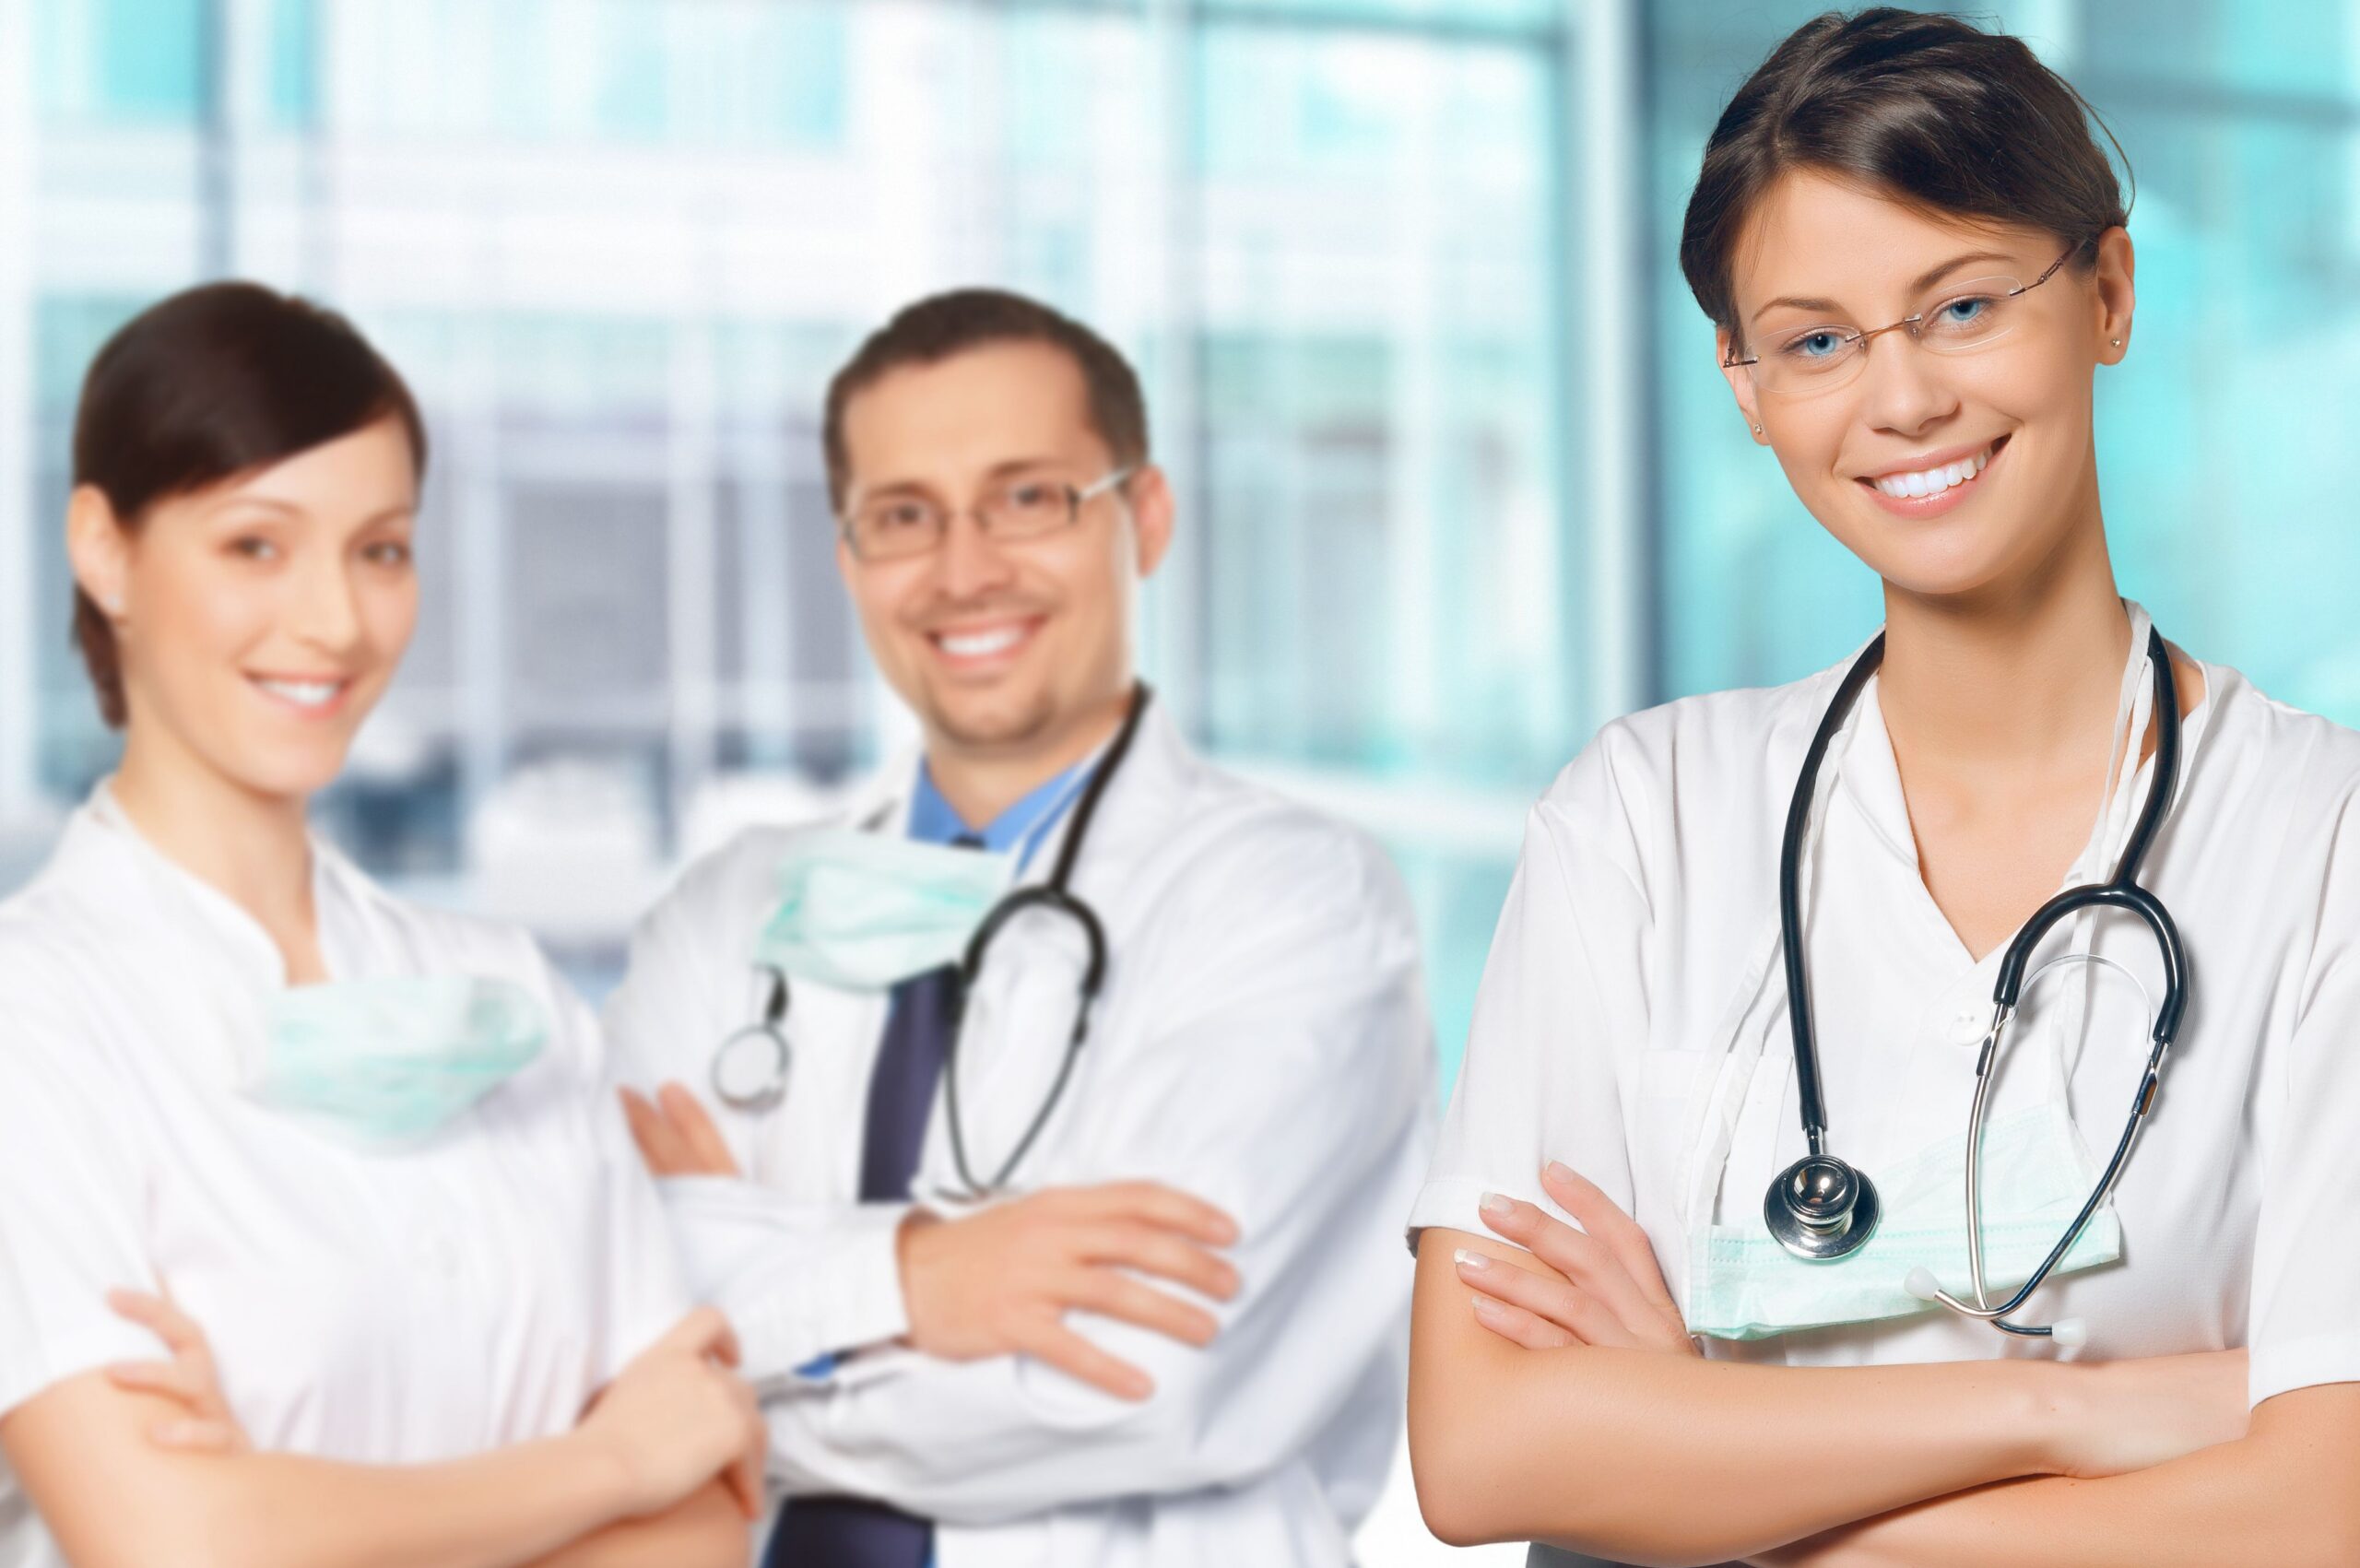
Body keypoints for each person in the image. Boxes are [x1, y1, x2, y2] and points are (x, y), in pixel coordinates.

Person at [1406, 10, 2360, 1567]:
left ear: (2106, 292)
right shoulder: (1644, 820)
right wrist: (2079, 1414)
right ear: (1743, 381)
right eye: (1817, 340)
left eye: (1965, 304)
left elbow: (2325, 1506)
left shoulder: (2328, 842)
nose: (1901, 399)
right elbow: (1481, 1447)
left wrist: (1707, 1472)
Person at [604, 287, 1436, 1567]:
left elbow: (1146, 1370)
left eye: (1028, 497)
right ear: (849, 558)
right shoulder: (722, 917)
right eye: (902, 516)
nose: (964, 567)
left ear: (1142, 517)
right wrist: (916, 1279)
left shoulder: (1295, 900)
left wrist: (734, 1334)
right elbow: (583, 1317)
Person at [0, 282, 767, 1568]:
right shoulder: (37, 1020)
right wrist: (608, 1462)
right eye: (256, 544)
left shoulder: (510, 998)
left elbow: (698, 1526)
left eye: (382, 548)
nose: (338, 622)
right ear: (104, 550)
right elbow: (166, 1544)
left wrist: (282, 1507)